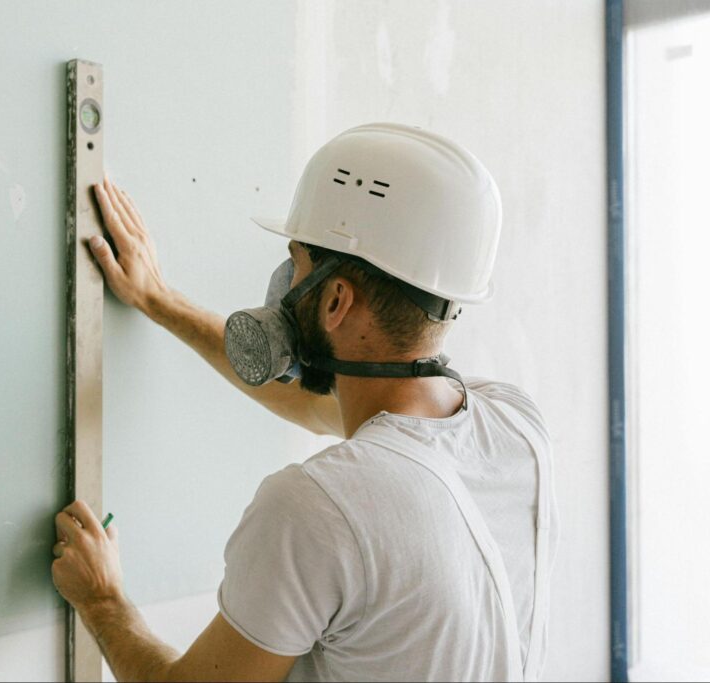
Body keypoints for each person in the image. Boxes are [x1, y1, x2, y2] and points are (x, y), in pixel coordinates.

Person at [52, 123, 556, 682]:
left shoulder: (316, 508)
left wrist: (101, 602)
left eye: (297, 264)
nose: (285, 282)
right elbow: (312, 406)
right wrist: (160, 300)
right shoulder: (515, 425)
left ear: (336, 298)